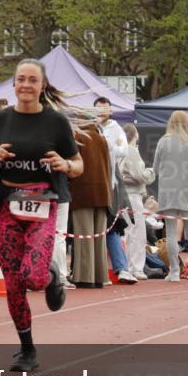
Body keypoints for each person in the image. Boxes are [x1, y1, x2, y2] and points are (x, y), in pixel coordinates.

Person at [0, 59, 82, 372]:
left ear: (42, 85)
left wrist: (65, 165)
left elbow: (78, 165)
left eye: (32, 80)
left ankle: (51, 275)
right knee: (12, 282)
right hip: (7, 205)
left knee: (32, 277)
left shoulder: (55, 122)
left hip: (42, 203)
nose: (26, 85)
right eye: (21, 79)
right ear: (14, 83)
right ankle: (27, 349)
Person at [153, 110, 188, 283]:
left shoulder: (163, 141)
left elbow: (155, 168)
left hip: (167, 192)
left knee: (170, 233)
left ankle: (174, 271)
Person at [93, 97, 135, 284]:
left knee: (111, 227)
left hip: (109, 185)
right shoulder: (88, 127)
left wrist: (106, 144)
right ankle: (91, 271)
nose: (101, 111)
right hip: (89, 184)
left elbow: (122, 151)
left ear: (111, 111)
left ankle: (121, 269)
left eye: (105, 108)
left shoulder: (116, 129)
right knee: (89, 228)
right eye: (98, 108)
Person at [68, 113, 111, 288]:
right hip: (103, 193)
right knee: (99, 239)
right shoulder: (102, 139)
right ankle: (100, 276)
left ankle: (85, 277)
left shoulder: (78, 138)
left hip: (83, 192)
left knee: (84, 237)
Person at [120, 123, 154, 280]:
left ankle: (128, 265)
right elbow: (140, 176)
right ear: (135, 135)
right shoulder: (131, 151)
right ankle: (136, 267)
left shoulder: (120, 151)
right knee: (138, 233)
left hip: (123, 195)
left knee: (128, 232)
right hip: (133, 196)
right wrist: (151, 172)